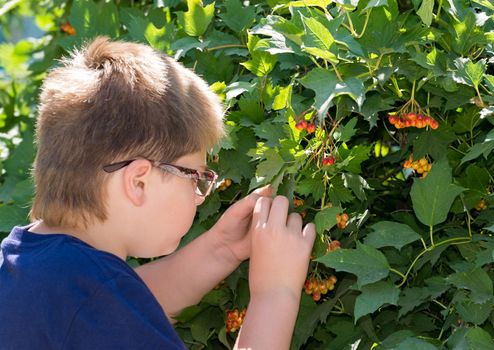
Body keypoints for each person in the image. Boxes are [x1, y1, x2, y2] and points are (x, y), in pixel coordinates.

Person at [0, 37, 316, 349]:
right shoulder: (93, 298)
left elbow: (127, 305)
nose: (199, 194)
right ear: (138, 182)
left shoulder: (30, 270)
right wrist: (275, 292)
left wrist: (220, 250)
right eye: (195, 177)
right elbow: (113, 309)